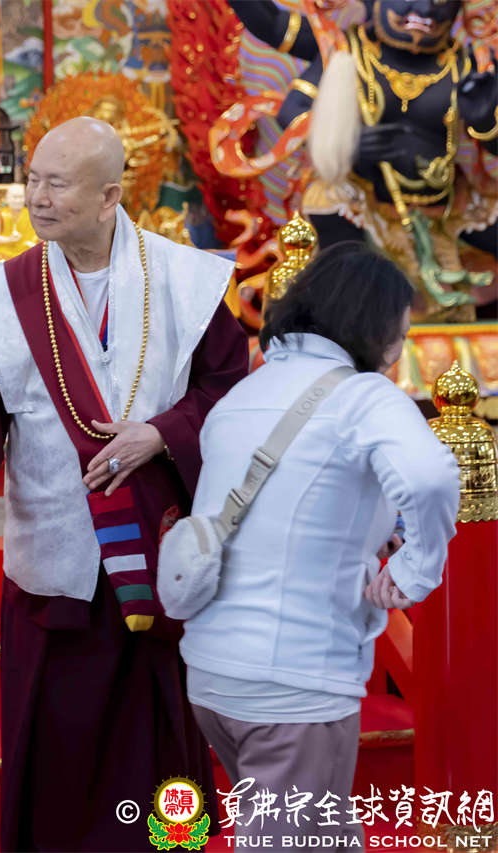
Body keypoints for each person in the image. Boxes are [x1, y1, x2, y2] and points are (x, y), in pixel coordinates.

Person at [0, 116, 249, 850]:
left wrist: (163, 432)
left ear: (109, 197)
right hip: (56, 559)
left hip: (158, 554)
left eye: (57, 184)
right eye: (33, 180)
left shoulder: (185, 279)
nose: (37, 198)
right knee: (57, 748)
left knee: (158, 744)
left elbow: (230, 388)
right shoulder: (10, 291)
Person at [179, 243, 460, 847]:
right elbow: (431, 477)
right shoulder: (363, 396)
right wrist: (415, 570)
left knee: (316, 834)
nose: (401, 348)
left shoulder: (245, 392)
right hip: (293, 678)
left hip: (212, 671)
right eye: (401, 332)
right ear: (375, 326)